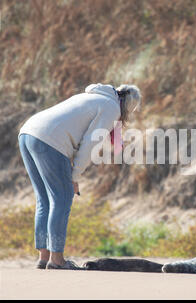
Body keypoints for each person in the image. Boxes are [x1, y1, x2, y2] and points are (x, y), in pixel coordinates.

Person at [18, 83, 141, 269]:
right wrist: (74, 177)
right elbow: (89, 145)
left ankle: (44, 257)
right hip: (49, 140)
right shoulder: (111, 108)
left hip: (28, 132)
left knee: (44, 199)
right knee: (62, 199)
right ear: (126, 106)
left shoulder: (94, 97)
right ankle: (57, 260)